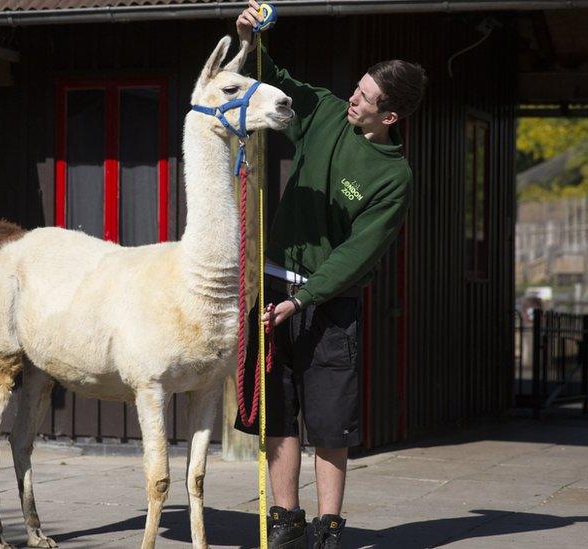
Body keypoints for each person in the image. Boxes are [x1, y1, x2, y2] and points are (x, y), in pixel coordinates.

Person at [233, 2, 426, 548]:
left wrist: (305, 299)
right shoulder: (325, 113)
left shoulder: (394, 179)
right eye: (358, 87)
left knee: (330, 422)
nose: (353, 99)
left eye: (364, 98)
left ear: (389, 117)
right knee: (278, 413)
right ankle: (285, 520)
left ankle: (329, 527)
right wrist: (251, 37)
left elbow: (357, 256)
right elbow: (277, 79)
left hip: (328, 303)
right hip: (273, 286)